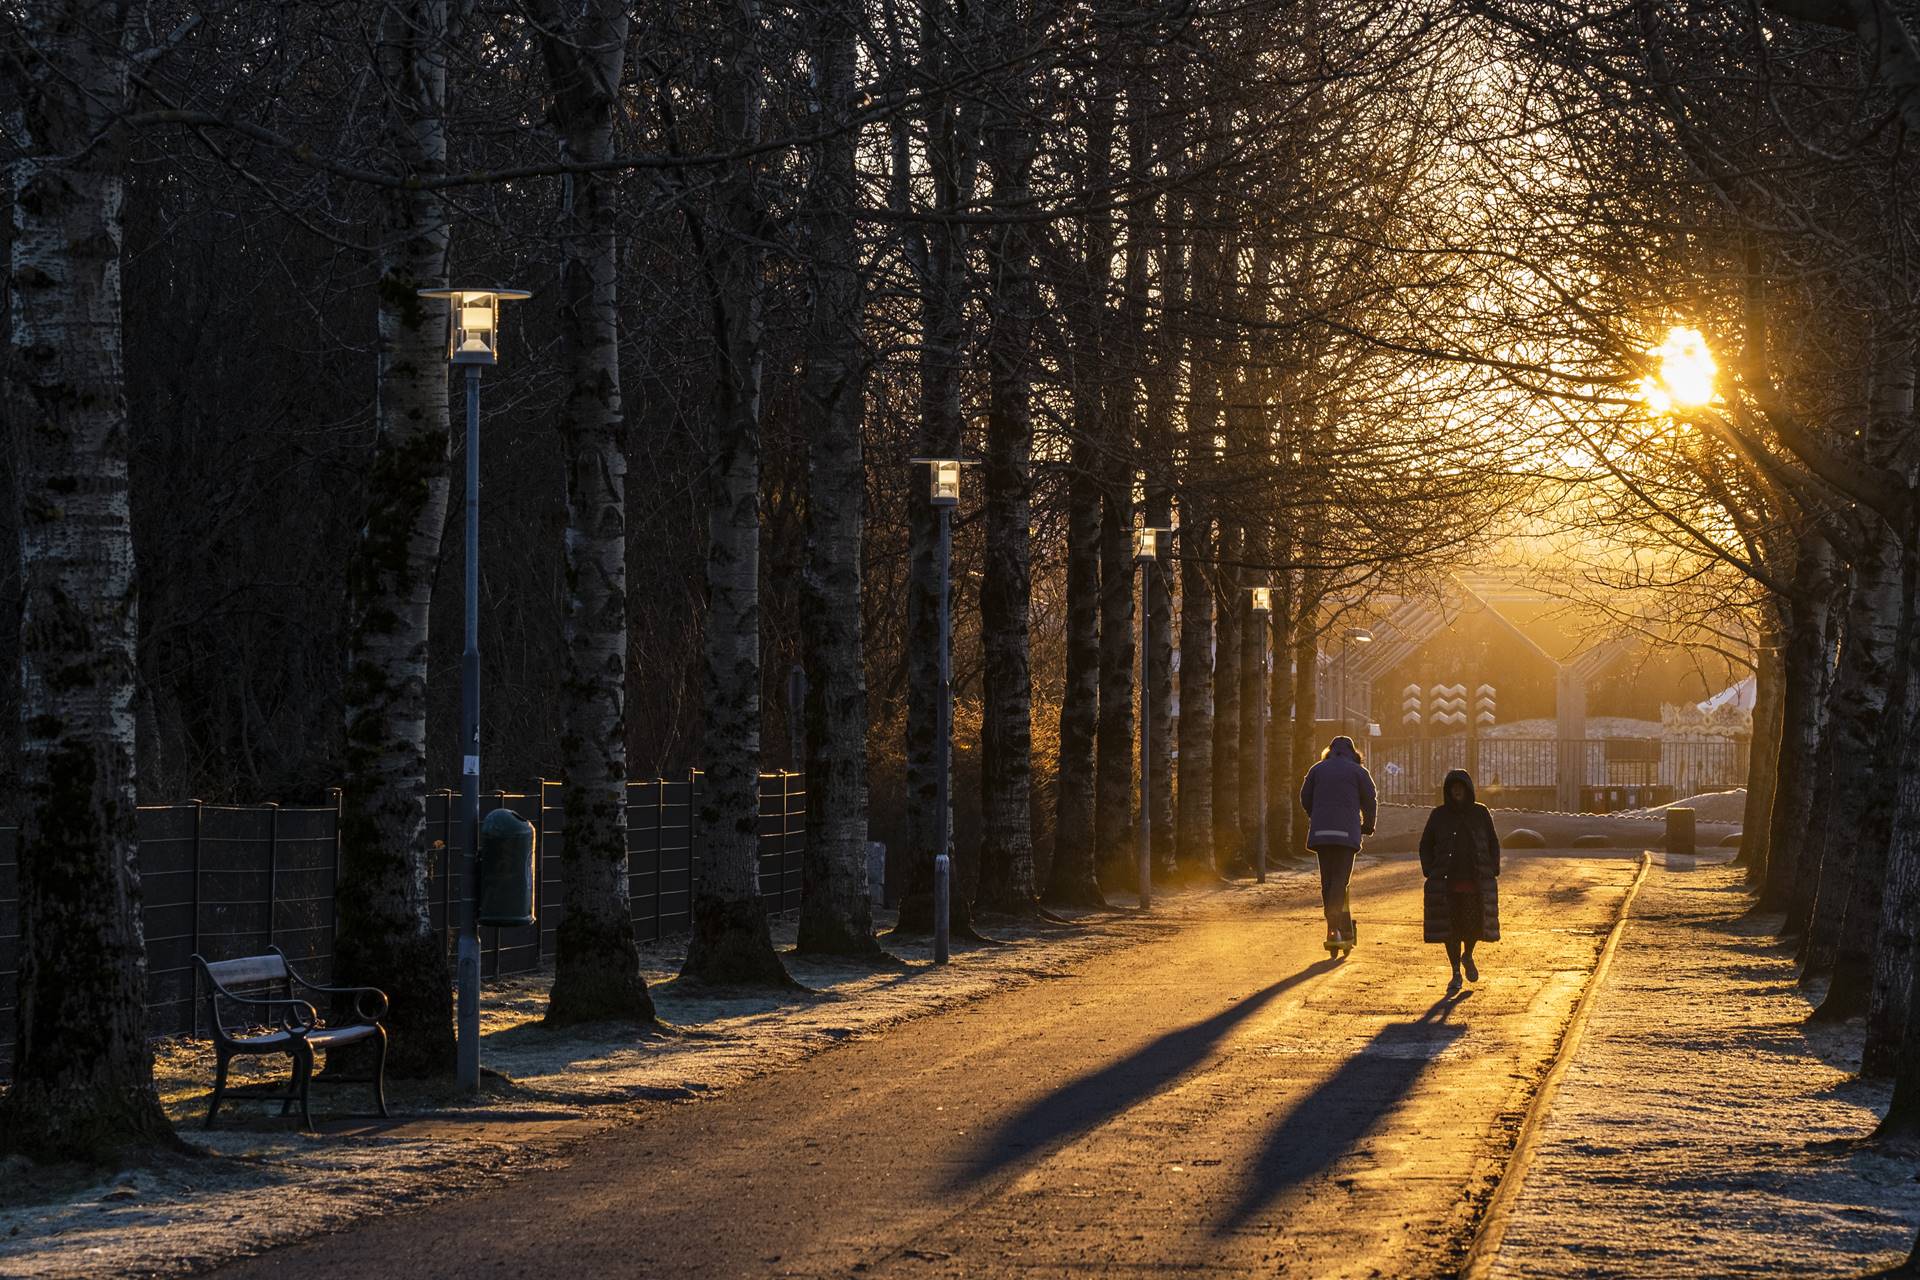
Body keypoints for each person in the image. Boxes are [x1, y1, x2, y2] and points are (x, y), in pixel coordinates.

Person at [1419, 768, 1501, 990]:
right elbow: (1426, 844)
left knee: (1474, 927)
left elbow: (1493, 841)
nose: (1457, 792)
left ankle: (1468, 955)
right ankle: (1455, 970)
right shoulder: (1439, 815)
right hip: (1448, 884)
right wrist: (1429, 869)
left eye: (1460, 788)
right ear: (1448, 791)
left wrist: (1493, 866)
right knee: (1450, 929)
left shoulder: (1480, 813)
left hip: (1474, 884)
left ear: (1467, 789)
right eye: (1453, 788)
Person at [1299, 736, 1377, 950]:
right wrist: (1368, 825)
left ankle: (1335, 927)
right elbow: (1370, 800)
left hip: (1322, 833)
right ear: (1354, 753)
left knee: (1328, 880)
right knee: (1340, 882)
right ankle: (1335, 927)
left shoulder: (1317, 769)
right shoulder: (1359, 772)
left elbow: (1305, 796)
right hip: (1346, 835)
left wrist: (1315, 814)